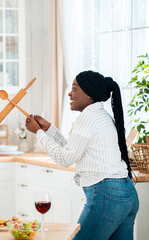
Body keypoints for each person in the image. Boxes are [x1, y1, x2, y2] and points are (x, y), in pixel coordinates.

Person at [25, 70, 139, 240]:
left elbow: (65, 159)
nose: (70, 93)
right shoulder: (100, 115)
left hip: (107, 196)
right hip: (127, 194)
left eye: (74, 88)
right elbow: (74, 151)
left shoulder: (87, 118)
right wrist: (48, 129)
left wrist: (38, 133)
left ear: (88, 94)